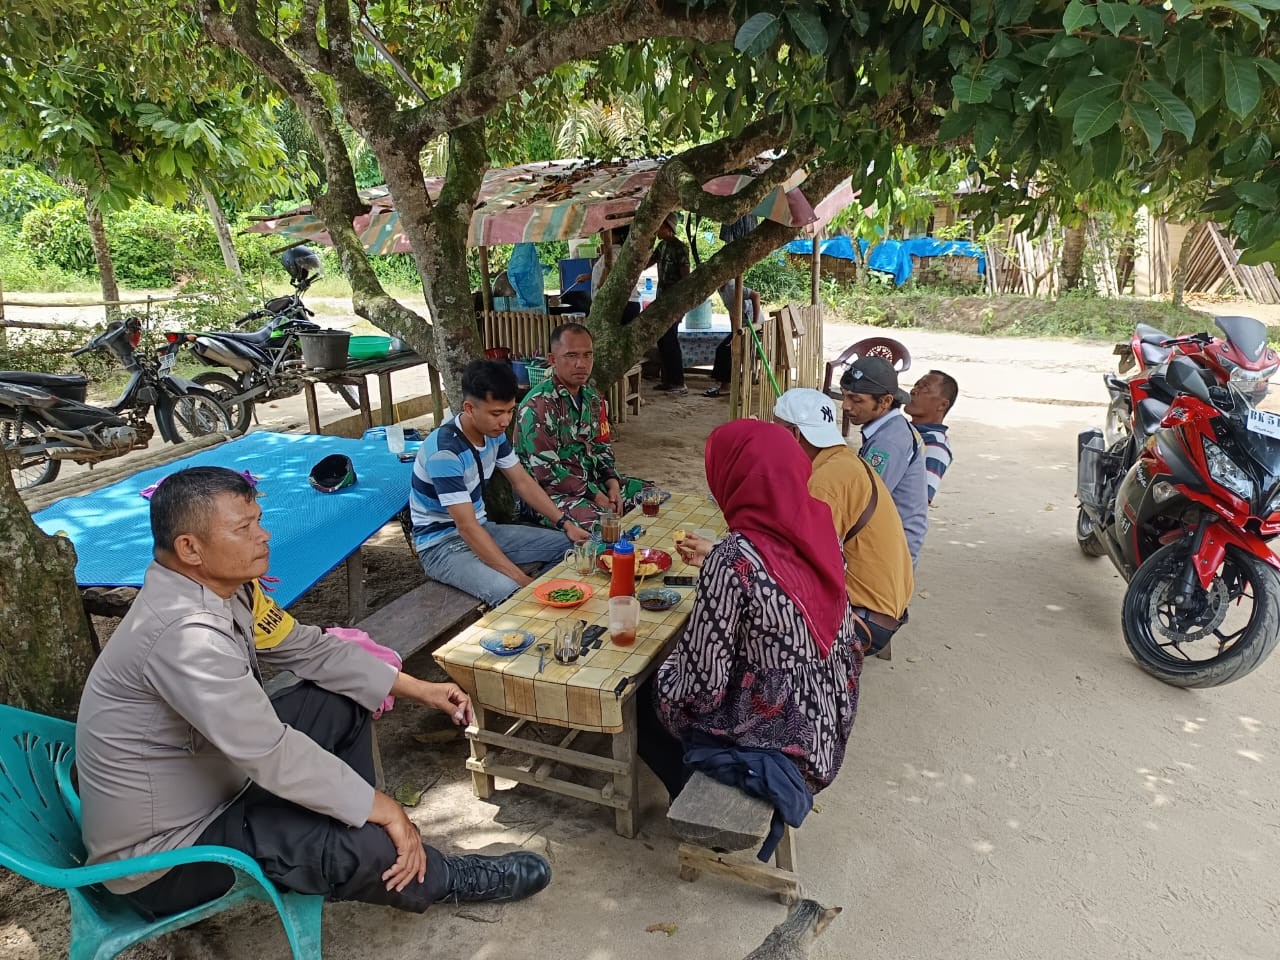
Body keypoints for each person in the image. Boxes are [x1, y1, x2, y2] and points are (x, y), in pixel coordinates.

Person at [75, 467, 551, 920]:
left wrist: (420, 690)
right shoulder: (184, 634)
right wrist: (383, 808)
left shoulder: (221, 589)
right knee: (365, 842)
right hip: (168, 855)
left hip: (211, 780)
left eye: (258, 521)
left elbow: (309, 650)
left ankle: (359, 832)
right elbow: (268, 752)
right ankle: (429, 872)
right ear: (190, 548)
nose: (263, 536)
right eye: (243, 528)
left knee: (339, 698)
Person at [639, 420, 864, 803]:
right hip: (829, 711)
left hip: (778, 731)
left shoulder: (731, 561)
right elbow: (781, 577)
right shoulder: (819, 524)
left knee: (642, 700)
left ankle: (695, 801)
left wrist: (662, 677)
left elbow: (702, 683)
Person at [412, 359, 589, 606]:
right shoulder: (445, 453)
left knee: (569, 547)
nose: (505, 421)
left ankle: (550, 608)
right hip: (441, 547)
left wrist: (565, 522)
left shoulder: (492, 433)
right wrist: (521, 580)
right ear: (470, 408)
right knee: (512, 591)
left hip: (483, 529)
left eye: (510, 411)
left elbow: (522, 482)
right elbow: (466, 527)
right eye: (497, 413)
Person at [774, 388, 913, 655]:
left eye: (776, 431)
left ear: (794, 434)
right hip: (886, 605)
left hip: (866, 619)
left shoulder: (828, 481)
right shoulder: (841, 460)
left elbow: (799, 562)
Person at [514, 323, 644, 526]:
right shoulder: (539, 405)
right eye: (571, 356)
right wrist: (597, 496)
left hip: (591, 485)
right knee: (604, 524)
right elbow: (547, 473)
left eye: (587, 355)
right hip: (548, 496)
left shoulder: (593, 397)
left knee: (650, 498)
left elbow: (602, 445)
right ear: (552, 360)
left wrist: (613, 485)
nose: (581, 364)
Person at [840, 356, 929, 565]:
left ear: (886, 401)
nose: (845, 406)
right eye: (845, 396)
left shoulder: (887, 444)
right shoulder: (892, 428)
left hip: (889, 553)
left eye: (856, 399)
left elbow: (861, 503)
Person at [904, 369, 958, 504]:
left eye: (925, 388)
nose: (914, 391)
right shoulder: (906, 431)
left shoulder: (935, 446)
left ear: (943, 405)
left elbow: (918, 502)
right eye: (916, 385)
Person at [651, 212, 691, 395]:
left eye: (659, 225)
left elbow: (685, 279)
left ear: (668, 228)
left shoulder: (680, 248)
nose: (656, 229)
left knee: (671, 341)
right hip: (661, 300)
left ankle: (678, 381)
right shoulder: (661, 246)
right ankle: (667, 379)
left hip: (673, 302)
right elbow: (646, 263)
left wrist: (682, 306)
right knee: (662, 340)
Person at [703, 279, 764, 398]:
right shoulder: (721, 289)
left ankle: (726, 387)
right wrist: (733, 332)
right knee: (725, 348)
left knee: (725, 350)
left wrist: (755, 322)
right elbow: (733, 311)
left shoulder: (732, 287)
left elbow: (755, 295)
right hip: (741, 325)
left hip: (750, 325)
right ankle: (725, 384)